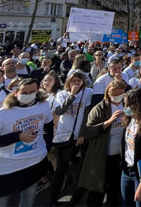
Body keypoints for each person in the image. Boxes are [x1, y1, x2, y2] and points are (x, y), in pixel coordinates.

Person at [0, 78, 53, 206]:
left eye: (32, 92)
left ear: (37, 91)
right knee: (1, 202)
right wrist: (18, 137)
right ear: (16, 92)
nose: (28, 95)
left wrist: (45, 147)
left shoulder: (44, 105)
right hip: (6, 168)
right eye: (24, 92)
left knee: (28, 200)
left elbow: (48, 128)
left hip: (33, 163)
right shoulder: (2, 114)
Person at [79, 79, 127, 206]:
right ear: (108, 93)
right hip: (102, 155)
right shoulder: (100, 108)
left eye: (121, 94)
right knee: (97, 190)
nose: (119, 97)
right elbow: (88, 131)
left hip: (120, 155)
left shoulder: (126, 105)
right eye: (116, 94)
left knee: (115, 188)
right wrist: (108, 122)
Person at [50, 72, 93, 205]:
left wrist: (82, 134)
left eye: (78, 81)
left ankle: (76, 197)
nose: (76, 83)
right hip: (63, 137)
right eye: (73, 81)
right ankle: (53, 198)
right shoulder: (62, 94)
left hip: (77, 138)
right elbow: (59, 111)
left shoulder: (87, 92)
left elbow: (87, 114)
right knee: (60, 170)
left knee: (77, 169)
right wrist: (72, 96)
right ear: (68, 81)